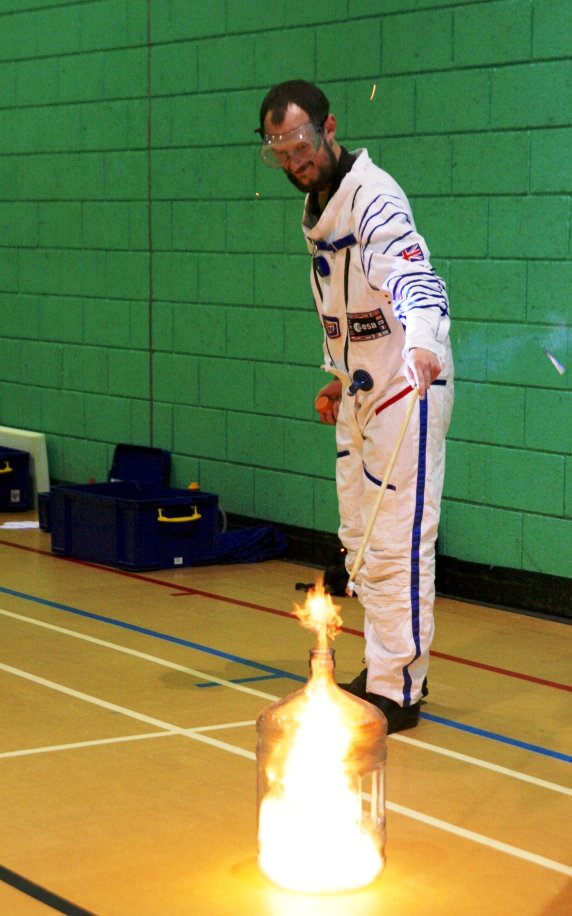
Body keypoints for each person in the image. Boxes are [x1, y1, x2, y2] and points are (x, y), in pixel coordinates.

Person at [256, 80, 454, 733]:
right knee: (361, 545)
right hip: (364, 389)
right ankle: (384, 664)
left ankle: (400, 689)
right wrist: (340, 377)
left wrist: (423, 343)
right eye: (281, 153)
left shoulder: (375, 198)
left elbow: (415, 278)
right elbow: (346, 306)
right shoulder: (319, 205)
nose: (295, 162)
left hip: (407, 385)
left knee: (398, 543)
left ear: (330, 128)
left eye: (302, 146)